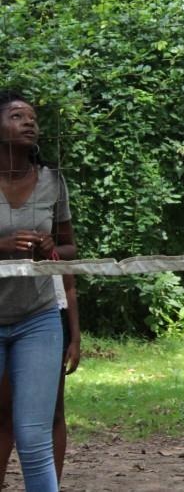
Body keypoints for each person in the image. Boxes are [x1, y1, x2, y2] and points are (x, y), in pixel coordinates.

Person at [0, 91, 78, 492]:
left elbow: (70, 250)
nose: (29, 122)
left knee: (34, 436)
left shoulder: (52, 180)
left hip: (38, 318)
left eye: (32, 117)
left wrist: (51, 251)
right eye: (17, 116)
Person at [0, 273, 81, 487]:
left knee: (34, 437)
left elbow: (68, 267)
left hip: (38, 316)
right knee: (5, 415)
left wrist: (75, 337)